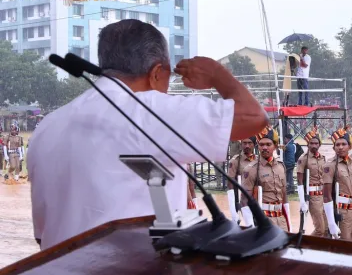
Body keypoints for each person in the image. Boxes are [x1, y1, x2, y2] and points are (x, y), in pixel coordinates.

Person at [29, 19, 266, 249]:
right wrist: (216, 74)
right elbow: (254, 117)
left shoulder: (47, 126)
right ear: (156, 73)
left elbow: (42, 235)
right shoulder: (149, 110)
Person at [241, 126, 290, 232]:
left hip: (281, 218)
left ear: (275, 146)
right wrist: (251, 228)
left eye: (268, 144)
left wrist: (288, 220)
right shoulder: (251, 169)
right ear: (257, 147)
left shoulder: (281, 166)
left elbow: (284, 195)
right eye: (261, 144)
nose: (264, 148)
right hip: (263, 220)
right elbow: (244, 200)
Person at [326, 127, 352, 241]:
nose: (340, 147)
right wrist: (331, 222)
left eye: (343, 144)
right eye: (337, 145)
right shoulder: (330, 165)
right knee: (345, 247)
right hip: (342, 212)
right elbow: (327, 195)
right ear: (334, 147)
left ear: (350, 146)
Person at [296, 127, 331, 237]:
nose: (314, 145)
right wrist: (302, 201)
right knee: (320, 229)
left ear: (319, 144)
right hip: (312, 196)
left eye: (316, 143)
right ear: (308, 144)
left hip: (323, 196)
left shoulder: (323, 158)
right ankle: (306, 246)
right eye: (312, 143)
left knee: (326, 229)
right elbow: (299, 180)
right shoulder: (303, 159)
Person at [227, 138, 258, 226]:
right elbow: (230, 184)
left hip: (257, 198)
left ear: (254, 145)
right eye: (244, 143)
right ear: (241, 144)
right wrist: (233, 210)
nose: (247, 146)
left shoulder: (259, 160)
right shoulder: (235, 161)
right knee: (249, 225)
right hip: (242, 199)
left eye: (249, 143)